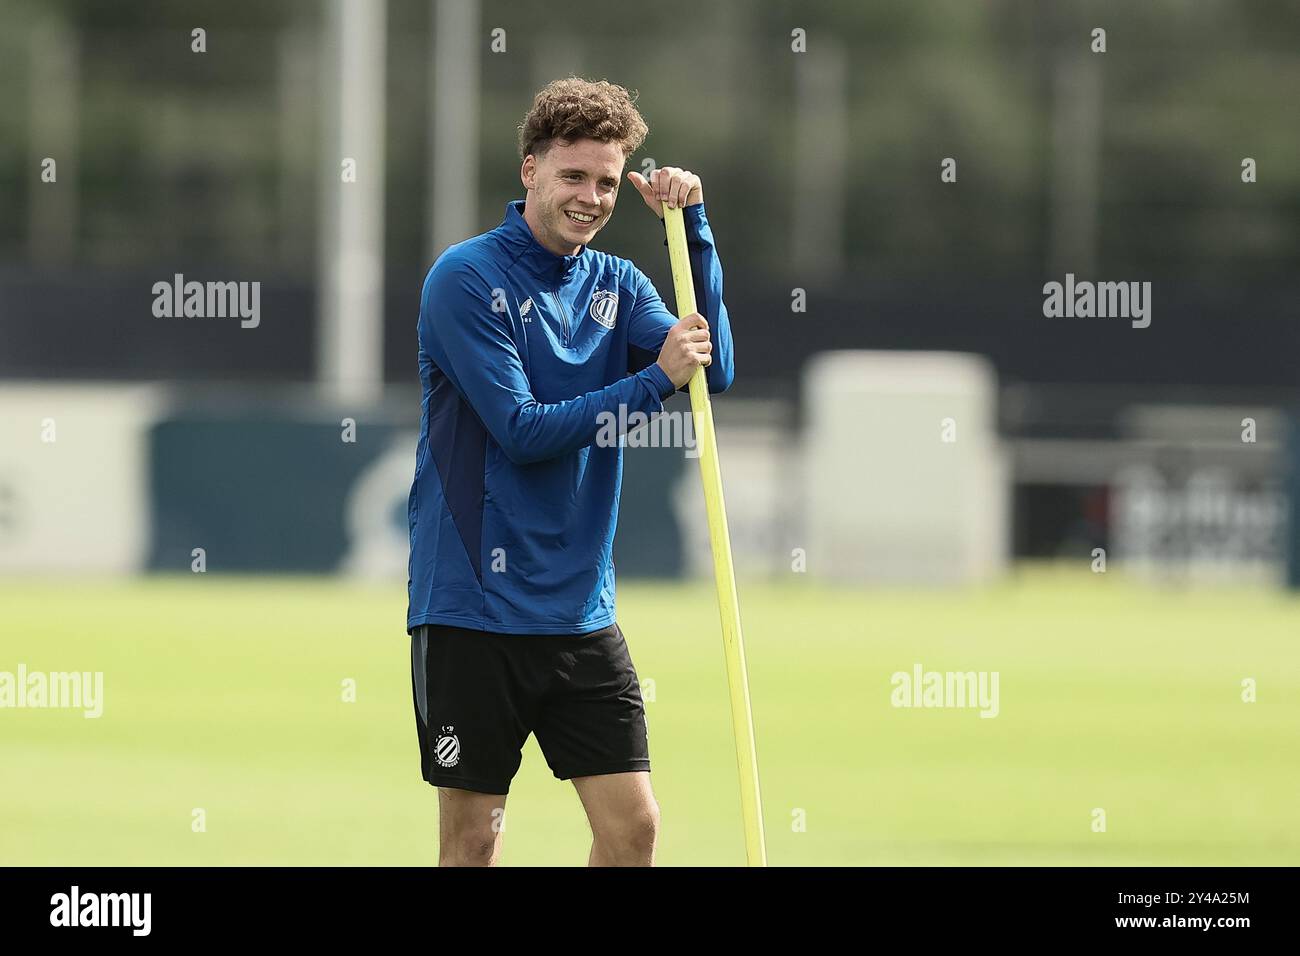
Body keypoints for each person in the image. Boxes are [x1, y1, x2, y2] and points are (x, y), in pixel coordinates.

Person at [407, 76, 734, 866]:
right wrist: (651, 379)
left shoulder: (618, 284)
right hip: (472, 610)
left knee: (634, 830)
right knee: (473, 841)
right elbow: (520, 431)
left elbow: (709, 370)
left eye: (608, 183)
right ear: (530, 171)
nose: (591, 198)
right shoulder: (466, 278)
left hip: (581, 612)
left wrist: (690, 234)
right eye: (574, 177)